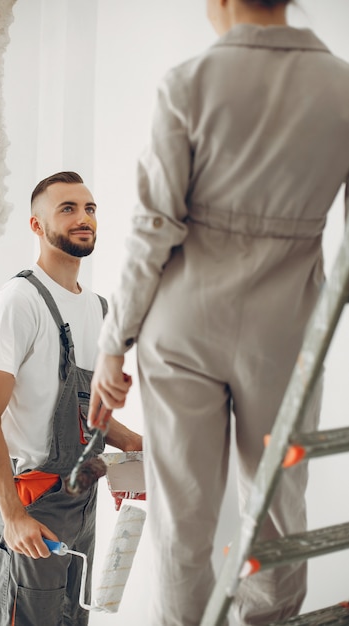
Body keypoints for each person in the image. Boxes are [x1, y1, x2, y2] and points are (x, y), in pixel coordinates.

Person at [88, 1, 349, 624]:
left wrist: (112, 341)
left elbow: (153, 227)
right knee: (279, 507)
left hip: (181, 327)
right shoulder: (342, 84)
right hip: (285, 332)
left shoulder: (188, 83)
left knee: (184, 520)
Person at [0, 171, 142, 626]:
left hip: (82, 501)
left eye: (89, 209)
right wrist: (12, 516)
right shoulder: (18, 303)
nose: (83, 218)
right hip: (35, 501)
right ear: (36, 226)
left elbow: (86, 408)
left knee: (72, 619)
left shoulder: (101, 309)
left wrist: (130, 443)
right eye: (67, 209)